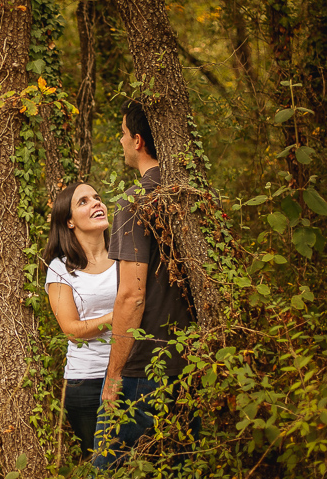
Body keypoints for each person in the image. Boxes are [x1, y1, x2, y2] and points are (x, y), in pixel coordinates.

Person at [91, 100, 196, 471]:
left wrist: (115, 375)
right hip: (190, 364)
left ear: (137, 141)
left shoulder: (135, 202)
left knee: (108, 468)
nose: (120, 141)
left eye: (122, 133)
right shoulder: (190, 196)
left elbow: (132, 295)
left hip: (143, 368)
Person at [43, 182, 118, 456]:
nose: (96, 203)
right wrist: (121, 315)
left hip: (134, 375)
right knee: (102, 466)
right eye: (84, 201)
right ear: (70, 222)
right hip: (87, 384)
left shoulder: (126, 256)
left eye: (97, 198)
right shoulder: (60, 268)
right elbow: (72, 329)